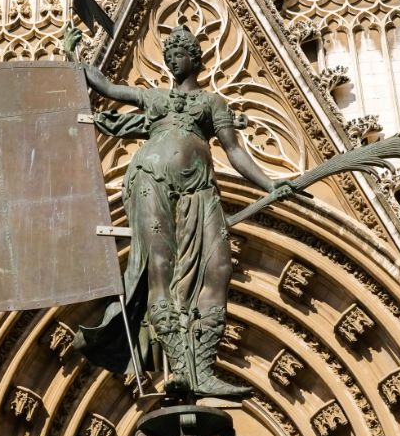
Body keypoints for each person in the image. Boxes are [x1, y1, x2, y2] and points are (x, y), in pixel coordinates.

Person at [64, 24, 296, 399]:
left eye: (180, 54)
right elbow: (105, 86)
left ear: (196, 59)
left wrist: (270, 185)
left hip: (200, 190)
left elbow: (234, 152)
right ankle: (183, 366)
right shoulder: (154, 98)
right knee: (159, 270)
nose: (173, 60)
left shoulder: (212, 104)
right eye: (169, 55)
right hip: (149, 180)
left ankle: (202, 367)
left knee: (219, 267)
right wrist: (72, 56)